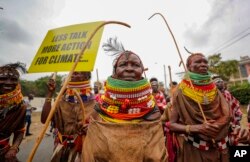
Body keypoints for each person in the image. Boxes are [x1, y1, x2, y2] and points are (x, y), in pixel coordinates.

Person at [82, 38, 167, 162]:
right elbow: (92, 149)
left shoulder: (151, 109)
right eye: (123, 64)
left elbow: (156, 154)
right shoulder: (101, 107)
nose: (129, 68)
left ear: (143, 70)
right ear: (115, 72)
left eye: (135, 65)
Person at [169, 53, 249, 162]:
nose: (203, 64)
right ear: (188, 67)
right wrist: (197, 128)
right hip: (196, 150)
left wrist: (236, 131)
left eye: (205, 62)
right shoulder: (180, 91)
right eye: (198, 62)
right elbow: (171, 125)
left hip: (223, 147)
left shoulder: (214, 89)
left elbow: (227, 116)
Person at [41, 71, 96, 162]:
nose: (73, 75)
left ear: (86, 76)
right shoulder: (61, 101)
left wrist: (91, 128)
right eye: (72, 73)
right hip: (62, 149)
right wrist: (50, 93)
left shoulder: (94, 104)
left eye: (78, 73)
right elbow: (44, 120)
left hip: (83, 150)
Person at [0, 62, 27, 162]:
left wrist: (14, 148)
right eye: (2, 78)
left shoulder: (20, 106)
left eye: (13, 79)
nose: (8, 82)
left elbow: (20, 131)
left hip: (3, 153)